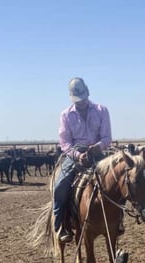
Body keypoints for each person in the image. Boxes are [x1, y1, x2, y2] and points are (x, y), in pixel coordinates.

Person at [52, 77, 112, 243]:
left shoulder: (102, 110)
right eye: (78, 101)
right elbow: (65, 143)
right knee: (60, 186)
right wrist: (78, 155)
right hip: (76, 154)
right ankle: (60, 226)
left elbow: (107, 137)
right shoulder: (65, 115)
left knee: (118, 181)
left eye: (83, 99)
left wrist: (98, 146)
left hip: (98, 153)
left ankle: (118, 221)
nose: (81, 103)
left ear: (88, 94)